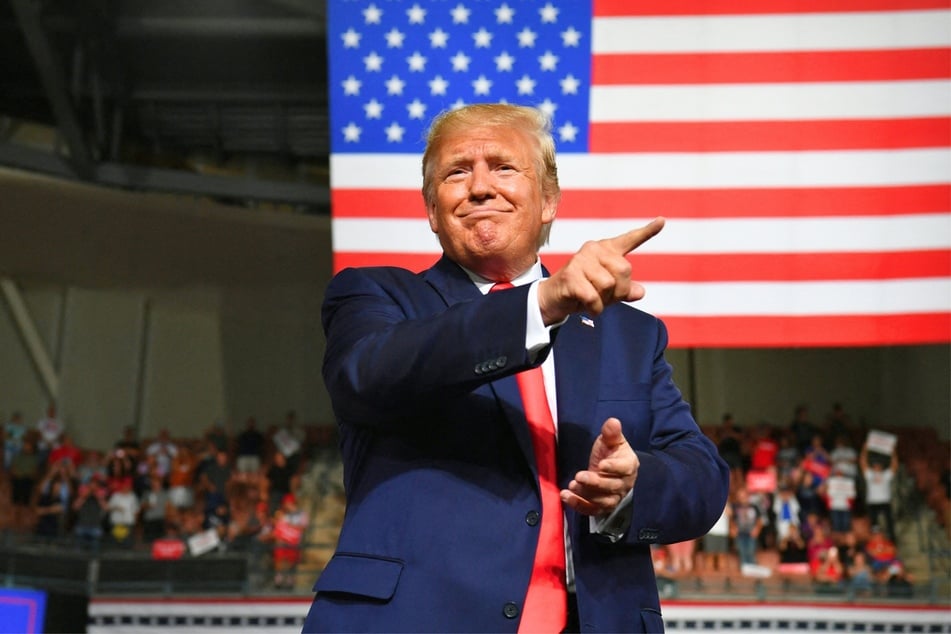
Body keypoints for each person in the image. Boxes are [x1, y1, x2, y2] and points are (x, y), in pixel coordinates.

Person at [302, 103, 730, 633]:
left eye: (504, 167)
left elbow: (703, 477)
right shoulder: (377, 298)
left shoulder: (630, 336)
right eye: (457, 172)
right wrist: (540, 305)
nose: (480, 186)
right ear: (433, 211)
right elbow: (368, 375)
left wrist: (634, 486)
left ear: (549, 200)